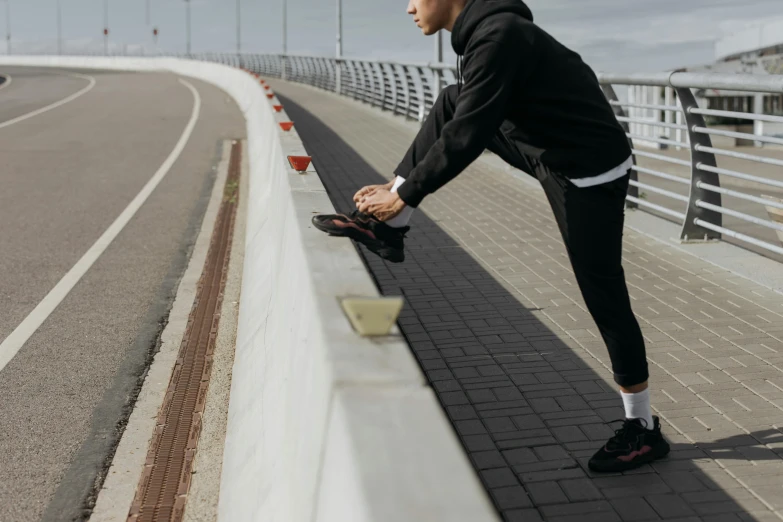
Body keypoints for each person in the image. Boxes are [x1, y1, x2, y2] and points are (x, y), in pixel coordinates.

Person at [311, 0, 669, 472]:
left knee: (602, 290)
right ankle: (389, 229)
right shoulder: (485, 34)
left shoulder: (499, 36)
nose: (408, 8)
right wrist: (397, 190)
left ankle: (642, 430)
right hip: (546, 148)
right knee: (451, 99)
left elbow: (469, 134)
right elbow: (465, 119)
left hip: (588, 171)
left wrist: (405, 192)